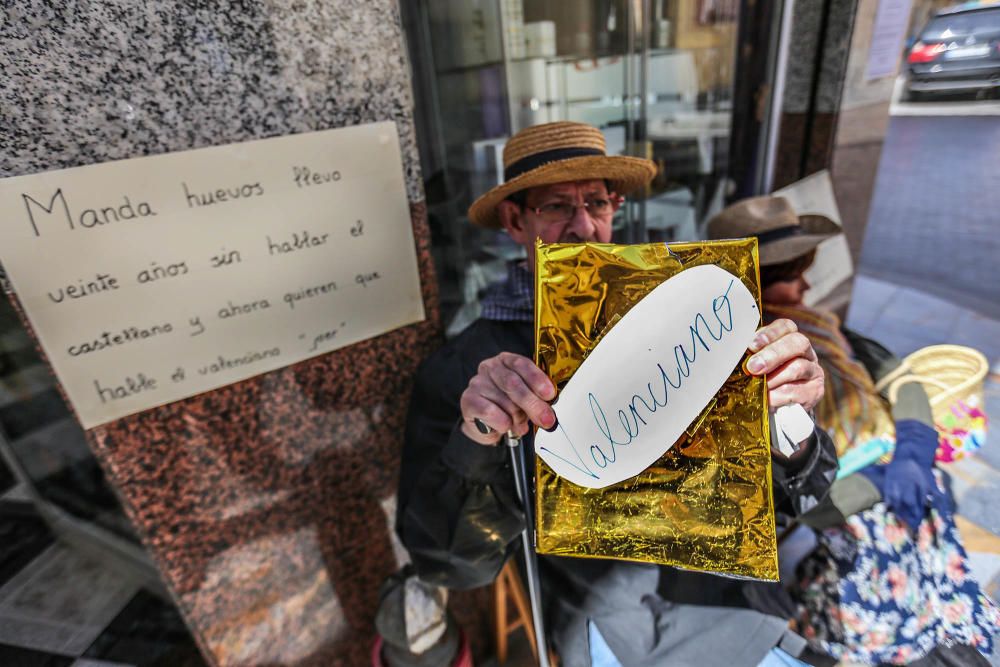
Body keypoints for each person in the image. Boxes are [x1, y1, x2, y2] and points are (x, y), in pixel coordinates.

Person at [396, 122, 839, 667]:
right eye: (556, 207)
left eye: (597, 203)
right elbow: (448, 565)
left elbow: (799, 498)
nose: (583, 227)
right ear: (515, 221)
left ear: (615, 208)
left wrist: (790, 426)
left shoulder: (684, 317)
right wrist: (478, 437)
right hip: (603, 614)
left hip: (729, 598)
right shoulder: (468, 371)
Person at [707, 195, 1000, 666]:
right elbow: (797, 486)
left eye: (799, 268)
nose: (803, 283)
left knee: (921, 532)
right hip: (840, 488)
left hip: (876, 467)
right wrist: (873, 485)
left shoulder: (823, 328)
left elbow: (891, 370)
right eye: (787, 274)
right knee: (891, 562)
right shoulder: (752, 356)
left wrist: (913, 446)